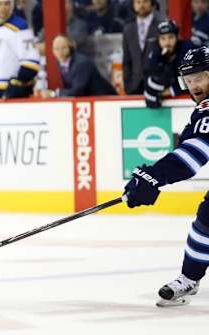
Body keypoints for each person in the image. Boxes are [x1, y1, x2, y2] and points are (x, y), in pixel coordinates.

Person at [123, 45, 209, 307]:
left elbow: (197, 151)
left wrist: (154, 177)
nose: (194, 85)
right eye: (189, 79)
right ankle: (189, 278)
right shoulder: (202, 111)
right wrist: (154, 175)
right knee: (207, 219)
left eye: (201, 77)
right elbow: (190, 143)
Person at [144, 20, 194, 108]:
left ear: (177, 37)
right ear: (158, 40)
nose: (167, 43)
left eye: (171, 37)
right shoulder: (155, 54)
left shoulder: (188, 50)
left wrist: (171, 90)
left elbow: (195, 78)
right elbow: (149, 78)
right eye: (163, 38)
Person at [46, 34, 116, 97]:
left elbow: (77, 91)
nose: (60, 52)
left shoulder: (81, 63)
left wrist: (55, 93)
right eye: (56, 49)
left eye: (63, 48)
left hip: (104, 98)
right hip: (88, 99)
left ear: (70, 47)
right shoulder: (59, 62)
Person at [122, 0, 160, 94]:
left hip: (157, 85)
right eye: (138, 2)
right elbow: (127, 62)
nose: (141, 5)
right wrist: (128, 86)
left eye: (145, 1)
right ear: (133, 5)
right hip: (134, 87)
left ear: (152, 3)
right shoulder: (128, 29)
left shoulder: (161, 26)